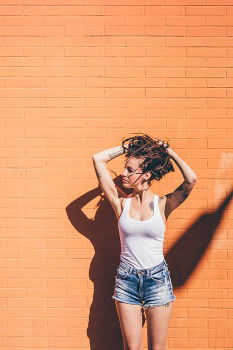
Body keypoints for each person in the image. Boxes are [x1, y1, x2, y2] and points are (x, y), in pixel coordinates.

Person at [92, 133, 198, 350]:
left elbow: (191, 180)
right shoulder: (120, 204)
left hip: (157, 279)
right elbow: (98, 159)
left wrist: (168, 152)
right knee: (131, 348)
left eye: (130, 170)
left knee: (157, 348)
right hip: (126, 279)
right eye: (125, 168)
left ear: (147, 175)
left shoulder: (163, 204)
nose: (123, 174)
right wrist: (130, 148)